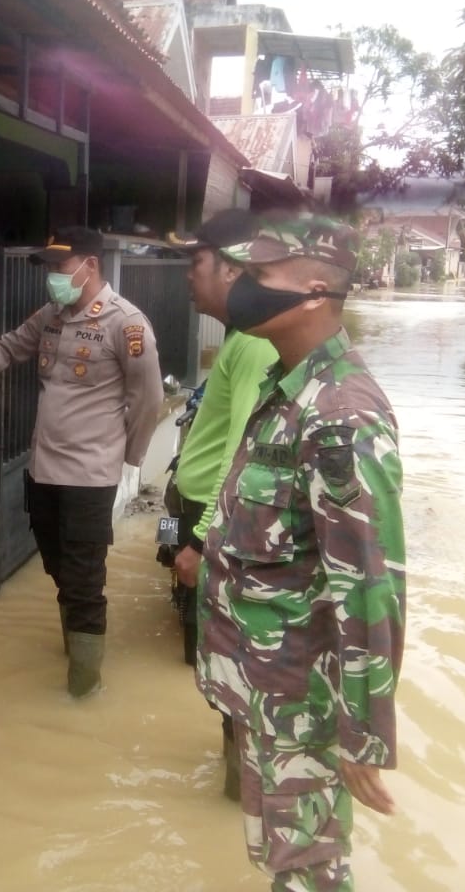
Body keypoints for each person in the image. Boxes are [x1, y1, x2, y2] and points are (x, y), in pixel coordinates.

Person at [186, 216, 406, 891]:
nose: (241, 288)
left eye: (257, 277)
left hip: (304, 702)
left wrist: (363, 735)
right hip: (267, 689)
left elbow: (369, 584)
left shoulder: (342, 415)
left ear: (314, 292)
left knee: (308, 873)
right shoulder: (287, 389)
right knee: (279, 860)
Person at [0, 226, 163, 697]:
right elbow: (8, 347)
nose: (53, 279)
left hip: (89, 474)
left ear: (90, 266)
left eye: (61, 269)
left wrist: (129, 457)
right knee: (57, 564)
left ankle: (84, 687)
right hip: (44, 470)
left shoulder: (127, 324)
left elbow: (148, 399)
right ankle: (77, 646)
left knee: (84, 577)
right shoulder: (52, 316)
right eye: (50, 270)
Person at [160, 209, 279, 801]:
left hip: (214, 516)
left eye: (196, 261)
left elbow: (243, 447)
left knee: (224, 659)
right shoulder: (238, 339)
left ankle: (239, 789)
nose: (188, 275)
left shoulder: (254, 346)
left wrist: (200, 541)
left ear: (232, 269)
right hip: (190, 501)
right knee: (213, 655)